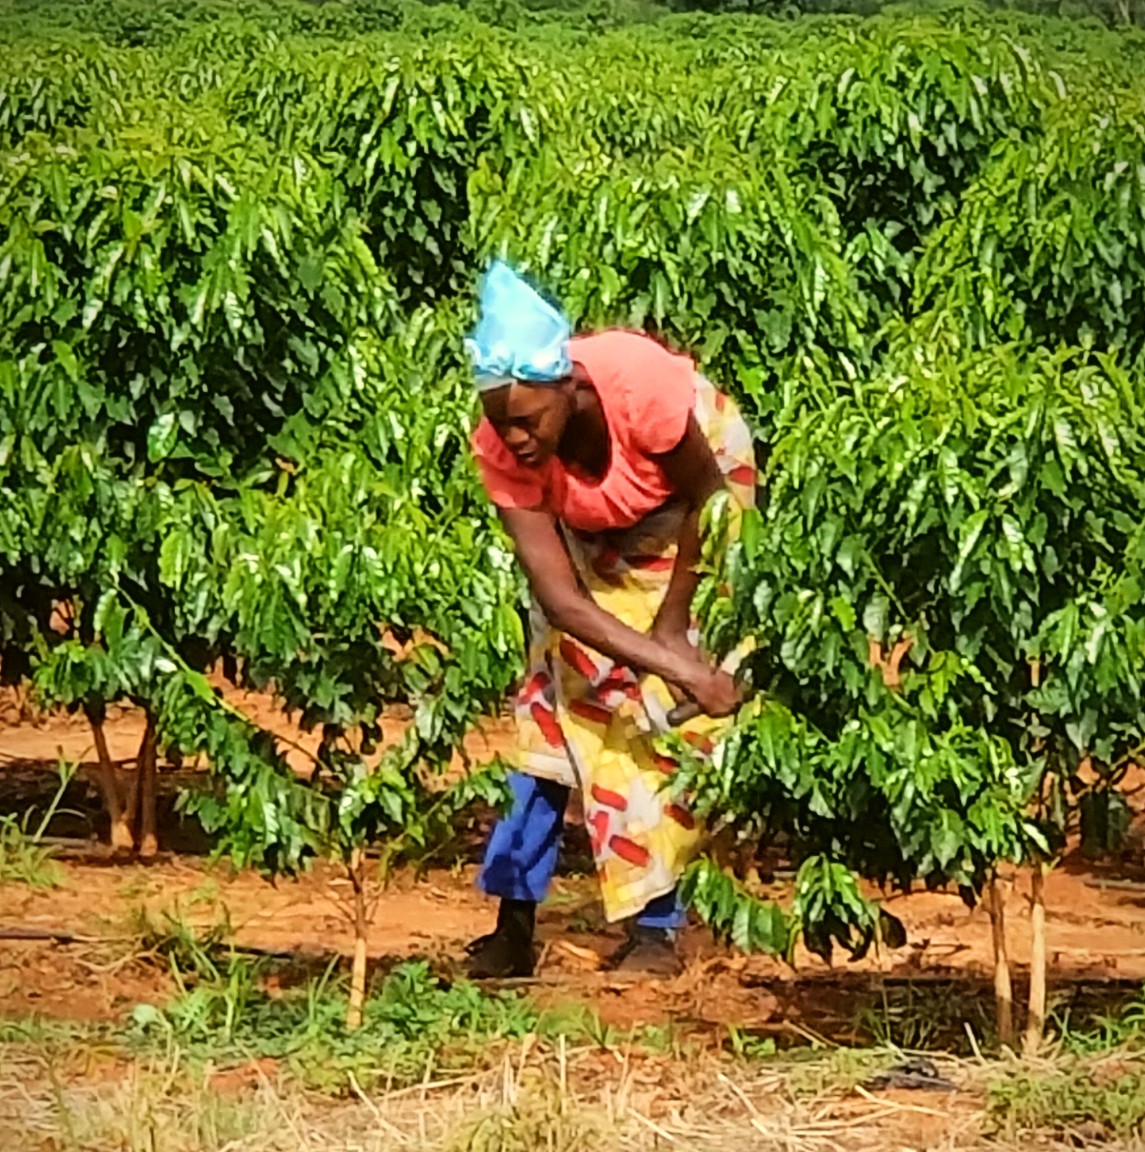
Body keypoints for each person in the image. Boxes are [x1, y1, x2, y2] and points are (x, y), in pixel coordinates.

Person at [464, 261, 756, 978]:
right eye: (504, 425)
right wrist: (666, 657)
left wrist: (675, 634)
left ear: (571, 388)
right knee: (552, 714)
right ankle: (512, 926)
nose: (519, 439)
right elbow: (565, 604)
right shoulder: (501, 448)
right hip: (592, 534)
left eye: (530, 421)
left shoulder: (638, 385)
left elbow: (709, 502)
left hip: (694, 510)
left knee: (664, 715)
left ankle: (659, 930)